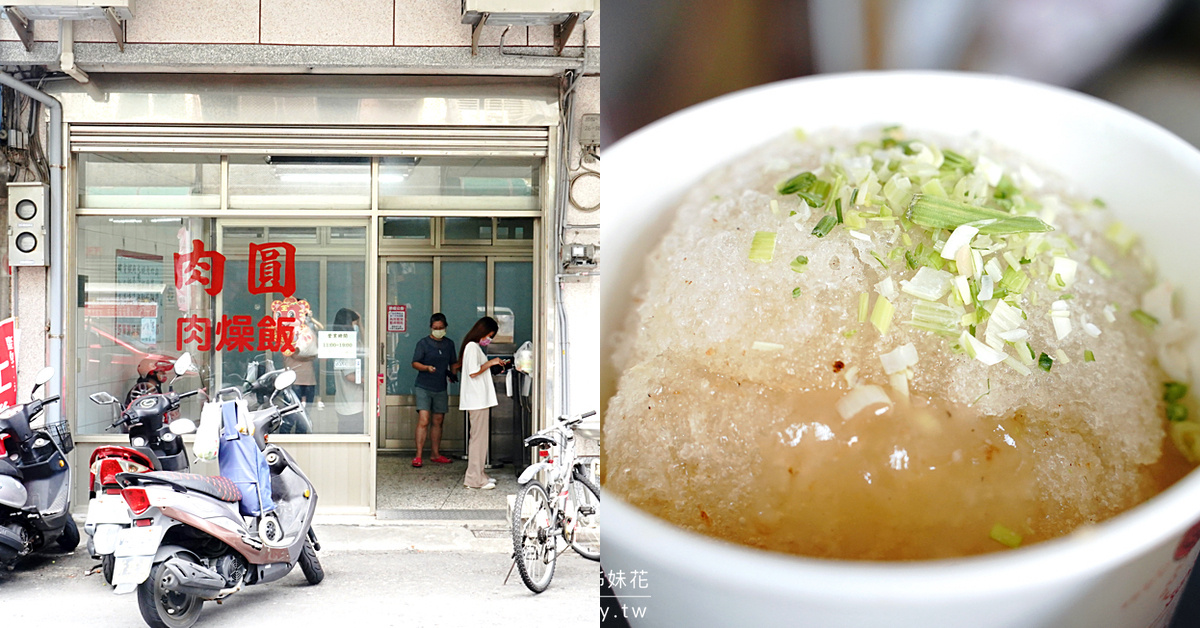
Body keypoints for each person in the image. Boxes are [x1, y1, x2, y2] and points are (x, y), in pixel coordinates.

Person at [459, 316, 505, 490]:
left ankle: (480, 474)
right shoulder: (472, 347)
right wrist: (491, 362)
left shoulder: (474, 347)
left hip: (479, 400)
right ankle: (473, 478)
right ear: (483, 331)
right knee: (478, 440)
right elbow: (473, 372)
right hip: (476, 400)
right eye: (490, 335)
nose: (490, 339)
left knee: (480, 439)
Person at [411, 313, 458, 468]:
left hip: (440, 386)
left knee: (438, 421)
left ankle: (435, 454)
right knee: (424, 420)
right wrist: (426, 368)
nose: (438, 330)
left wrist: (453, 374)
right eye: (435, 328)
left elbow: (453, 363)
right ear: (431, 327)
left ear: (445, 327)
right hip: (424, 386)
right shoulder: (423, 343)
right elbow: (415, 363)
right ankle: (418, 456)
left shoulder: (449, 344)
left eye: (441, 328)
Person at [331, 308, 365, 433]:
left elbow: (367, 344)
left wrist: (360, 324)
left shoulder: (338, 342)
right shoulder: (347, 347)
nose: (356, 327)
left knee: (344, 434)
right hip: (352, 404)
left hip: (343, 402)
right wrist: (367, 381)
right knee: (353, 434)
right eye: (354, 324)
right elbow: (349, 375)